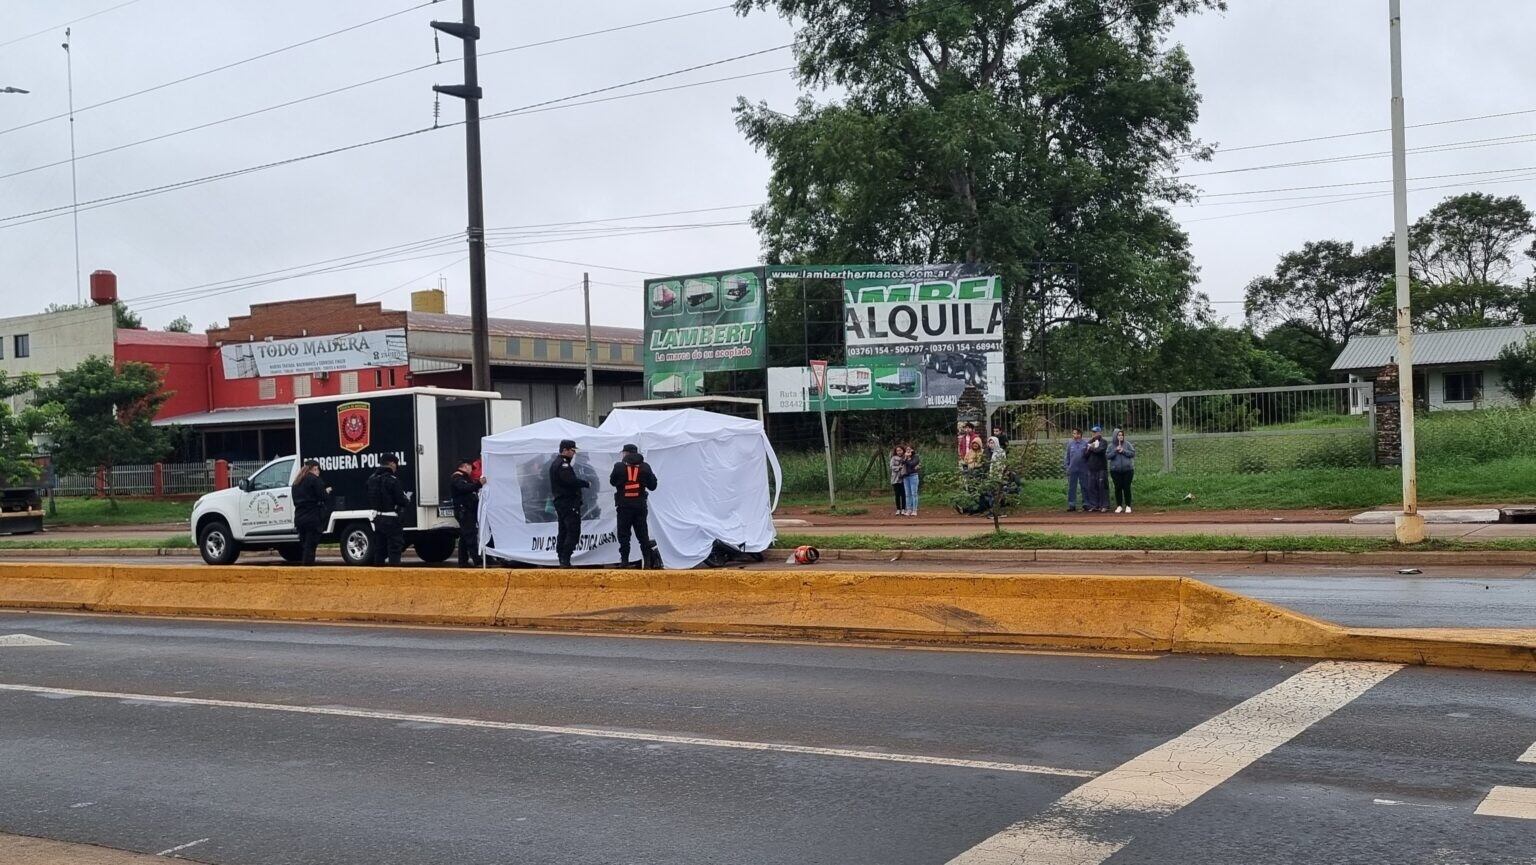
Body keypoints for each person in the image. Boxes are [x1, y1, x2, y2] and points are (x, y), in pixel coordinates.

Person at [609, 443, 658, 567]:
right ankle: (647, 562)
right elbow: (653, 486)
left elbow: (612, 482)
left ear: (626, 453)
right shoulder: (645, 467)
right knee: (643, 535)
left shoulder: (618, 466)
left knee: (624, 535)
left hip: (624, 506)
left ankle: (624, 561)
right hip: (640, 506)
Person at [549, 439, 589, 567]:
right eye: (572, 451)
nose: (574, 454)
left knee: (564, 530)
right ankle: (565, 558)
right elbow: (570, 481)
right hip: (568, 502)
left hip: (562, 502)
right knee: (572, 531)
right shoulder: (563, 465)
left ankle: (562, 557)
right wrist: (585, 483)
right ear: (565, 450)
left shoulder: (557, 463)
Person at [366, 454, 409, 565]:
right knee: (394, 548)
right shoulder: (392, 480)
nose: (396, 467)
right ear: (391, 464)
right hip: (392, 518)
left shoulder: (371, 479)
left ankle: (379, 574)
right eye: (396, 464)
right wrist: (406, 499)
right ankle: (394, 575)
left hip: (377, 518)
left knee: (379, 548)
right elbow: (401, 500)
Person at [291, 459, 329, 566]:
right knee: (310, 548)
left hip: (299, 518)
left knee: (305, 547)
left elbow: (295, 500)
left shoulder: (296, 482)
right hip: (312, 518)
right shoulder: (314, 480)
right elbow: (323, 496)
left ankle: (305, 568)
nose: (319, 472)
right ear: (314, 468)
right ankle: (308, 571)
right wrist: (326, 492)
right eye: (318, 470)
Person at [449, 458, 487, 568]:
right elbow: (464, 488)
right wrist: (478, 484)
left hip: (467, 511)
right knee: (470, 536)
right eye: (471, 467)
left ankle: (463, 562)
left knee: (465, 537)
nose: (472, 470)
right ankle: (477, 561)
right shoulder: (457, 478)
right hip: (464, 512)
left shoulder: (464, 478)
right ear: (465, 466)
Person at [1108, 428, 1137, 514]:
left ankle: (1128, 505)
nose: (1120, 437)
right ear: (1115, 436)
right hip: (1115, 470)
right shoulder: (1111, 446)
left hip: (1128, 470)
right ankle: (1119, 506)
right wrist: (1115, 451)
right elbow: (1108, 456)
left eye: (1122, 435)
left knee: (1127, 487)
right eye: (1119, 435)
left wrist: (1123, 451)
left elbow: (1132, 453)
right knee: (1118, 487)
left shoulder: (1127, 444)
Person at [1082, 425, 1110, 513]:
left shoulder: (1103, 442)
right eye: (1093, 432)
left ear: (1099, 432)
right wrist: (1091, 448)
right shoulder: (1089, 442)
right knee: (1092, 487)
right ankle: (1094, 505)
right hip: (1091, 468)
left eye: (1095, 432)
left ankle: (1104, 505)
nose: (1094, 434)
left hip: (1101, 468)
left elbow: (1100, 451)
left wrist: (1091, 448)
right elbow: (1085, 455)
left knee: (1102, 487)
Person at [1064, 428, 1089, 512]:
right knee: (1072, 487)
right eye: (1073, 434)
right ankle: (1072, 504)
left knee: (1085, 486)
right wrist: (1067, 467)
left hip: (1083, 468)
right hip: (1073, 469)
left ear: (1080, 434)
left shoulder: (1085, 443)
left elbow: (1088, 456)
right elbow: (1067, 457)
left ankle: (1086, 504)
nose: (1074, 435)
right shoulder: (1070, 444)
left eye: (1076, 434)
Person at [901, 446, 922, 517]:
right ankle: (908, 509)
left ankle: (914, 510)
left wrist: (908, 459)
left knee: (914, 493)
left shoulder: (916, 457)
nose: (908, 450)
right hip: (906, 477)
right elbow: (902, 462)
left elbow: (912, 464)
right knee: (907, 494)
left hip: (913, 476)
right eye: (907, 449)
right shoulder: (905, 457)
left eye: (909, 449)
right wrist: (906, 458)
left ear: (912, 450)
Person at [889, 444, 907, 516]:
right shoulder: (893, 458)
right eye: (897, 451)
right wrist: (898, 467)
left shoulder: (905, 457)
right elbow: (891, 467)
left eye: (900, 450)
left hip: (903, 478)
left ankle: (903, 509)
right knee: (897, 494)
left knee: (903, 494)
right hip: (895, 478)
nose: (899, 452)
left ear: (903, 451)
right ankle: (898, 509)